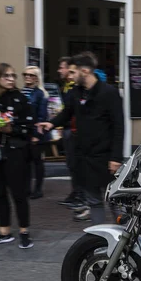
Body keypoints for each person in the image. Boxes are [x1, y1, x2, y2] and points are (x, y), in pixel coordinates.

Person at [37, 52, 125, 225]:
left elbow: (119, 126)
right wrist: (51, 124)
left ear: (84, 71)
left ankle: (125, 240)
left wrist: (116, 158)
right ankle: (99, 240)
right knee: (94, 201)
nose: (70, 76)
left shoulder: (109, 93)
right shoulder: (76, 92)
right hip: (84, 156)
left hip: (105, 157)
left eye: (72, 72)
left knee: (114, 200)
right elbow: (67, 113)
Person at [0, 63, 34, 248]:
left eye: (13, 75)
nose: (11, 79)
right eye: (6, 76)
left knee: (18, 193)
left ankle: (24, 230)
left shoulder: (20, 98)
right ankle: (3, 231)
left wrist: (11, 129)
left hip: (15, 151)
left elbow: (29, 126)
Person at [56, 56, 81, 208]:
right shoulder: (65, 86)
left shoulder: (74, 88)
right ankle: (76, 193)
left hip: (73, 130)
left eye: (62, 67)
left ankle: (80, 196)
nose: (60, 70)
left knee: (76, 164)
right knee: (71, 164)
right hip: (67, 128)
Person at [21, 66, 49, 200]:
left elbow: (42, 116)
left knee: (37, 162)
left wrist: (37, 135)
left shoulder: (40, 93)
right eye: (25, 74)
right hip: (23, 132)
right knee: (25, 162)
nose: (27, 77)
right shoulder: (21, 92)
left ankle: (38, 189)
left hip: (35, 133)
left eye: (31, 75)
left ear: (37, 78)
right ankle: (26, 188)